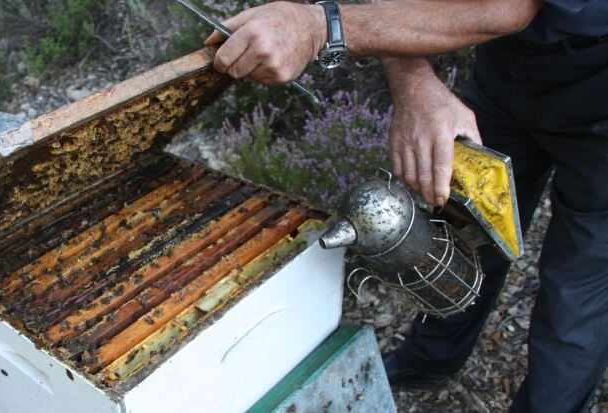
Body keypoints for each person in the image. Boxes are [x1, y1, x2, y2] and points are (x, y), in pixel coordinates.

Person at [203, 1, 608, 411]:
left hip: (597, 77)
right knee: (465, 219)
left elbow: (506, 8)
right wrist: (413, 81)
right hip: (505, 63)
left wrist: (319, 27)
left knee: (579, 284)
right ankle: (430, 361)